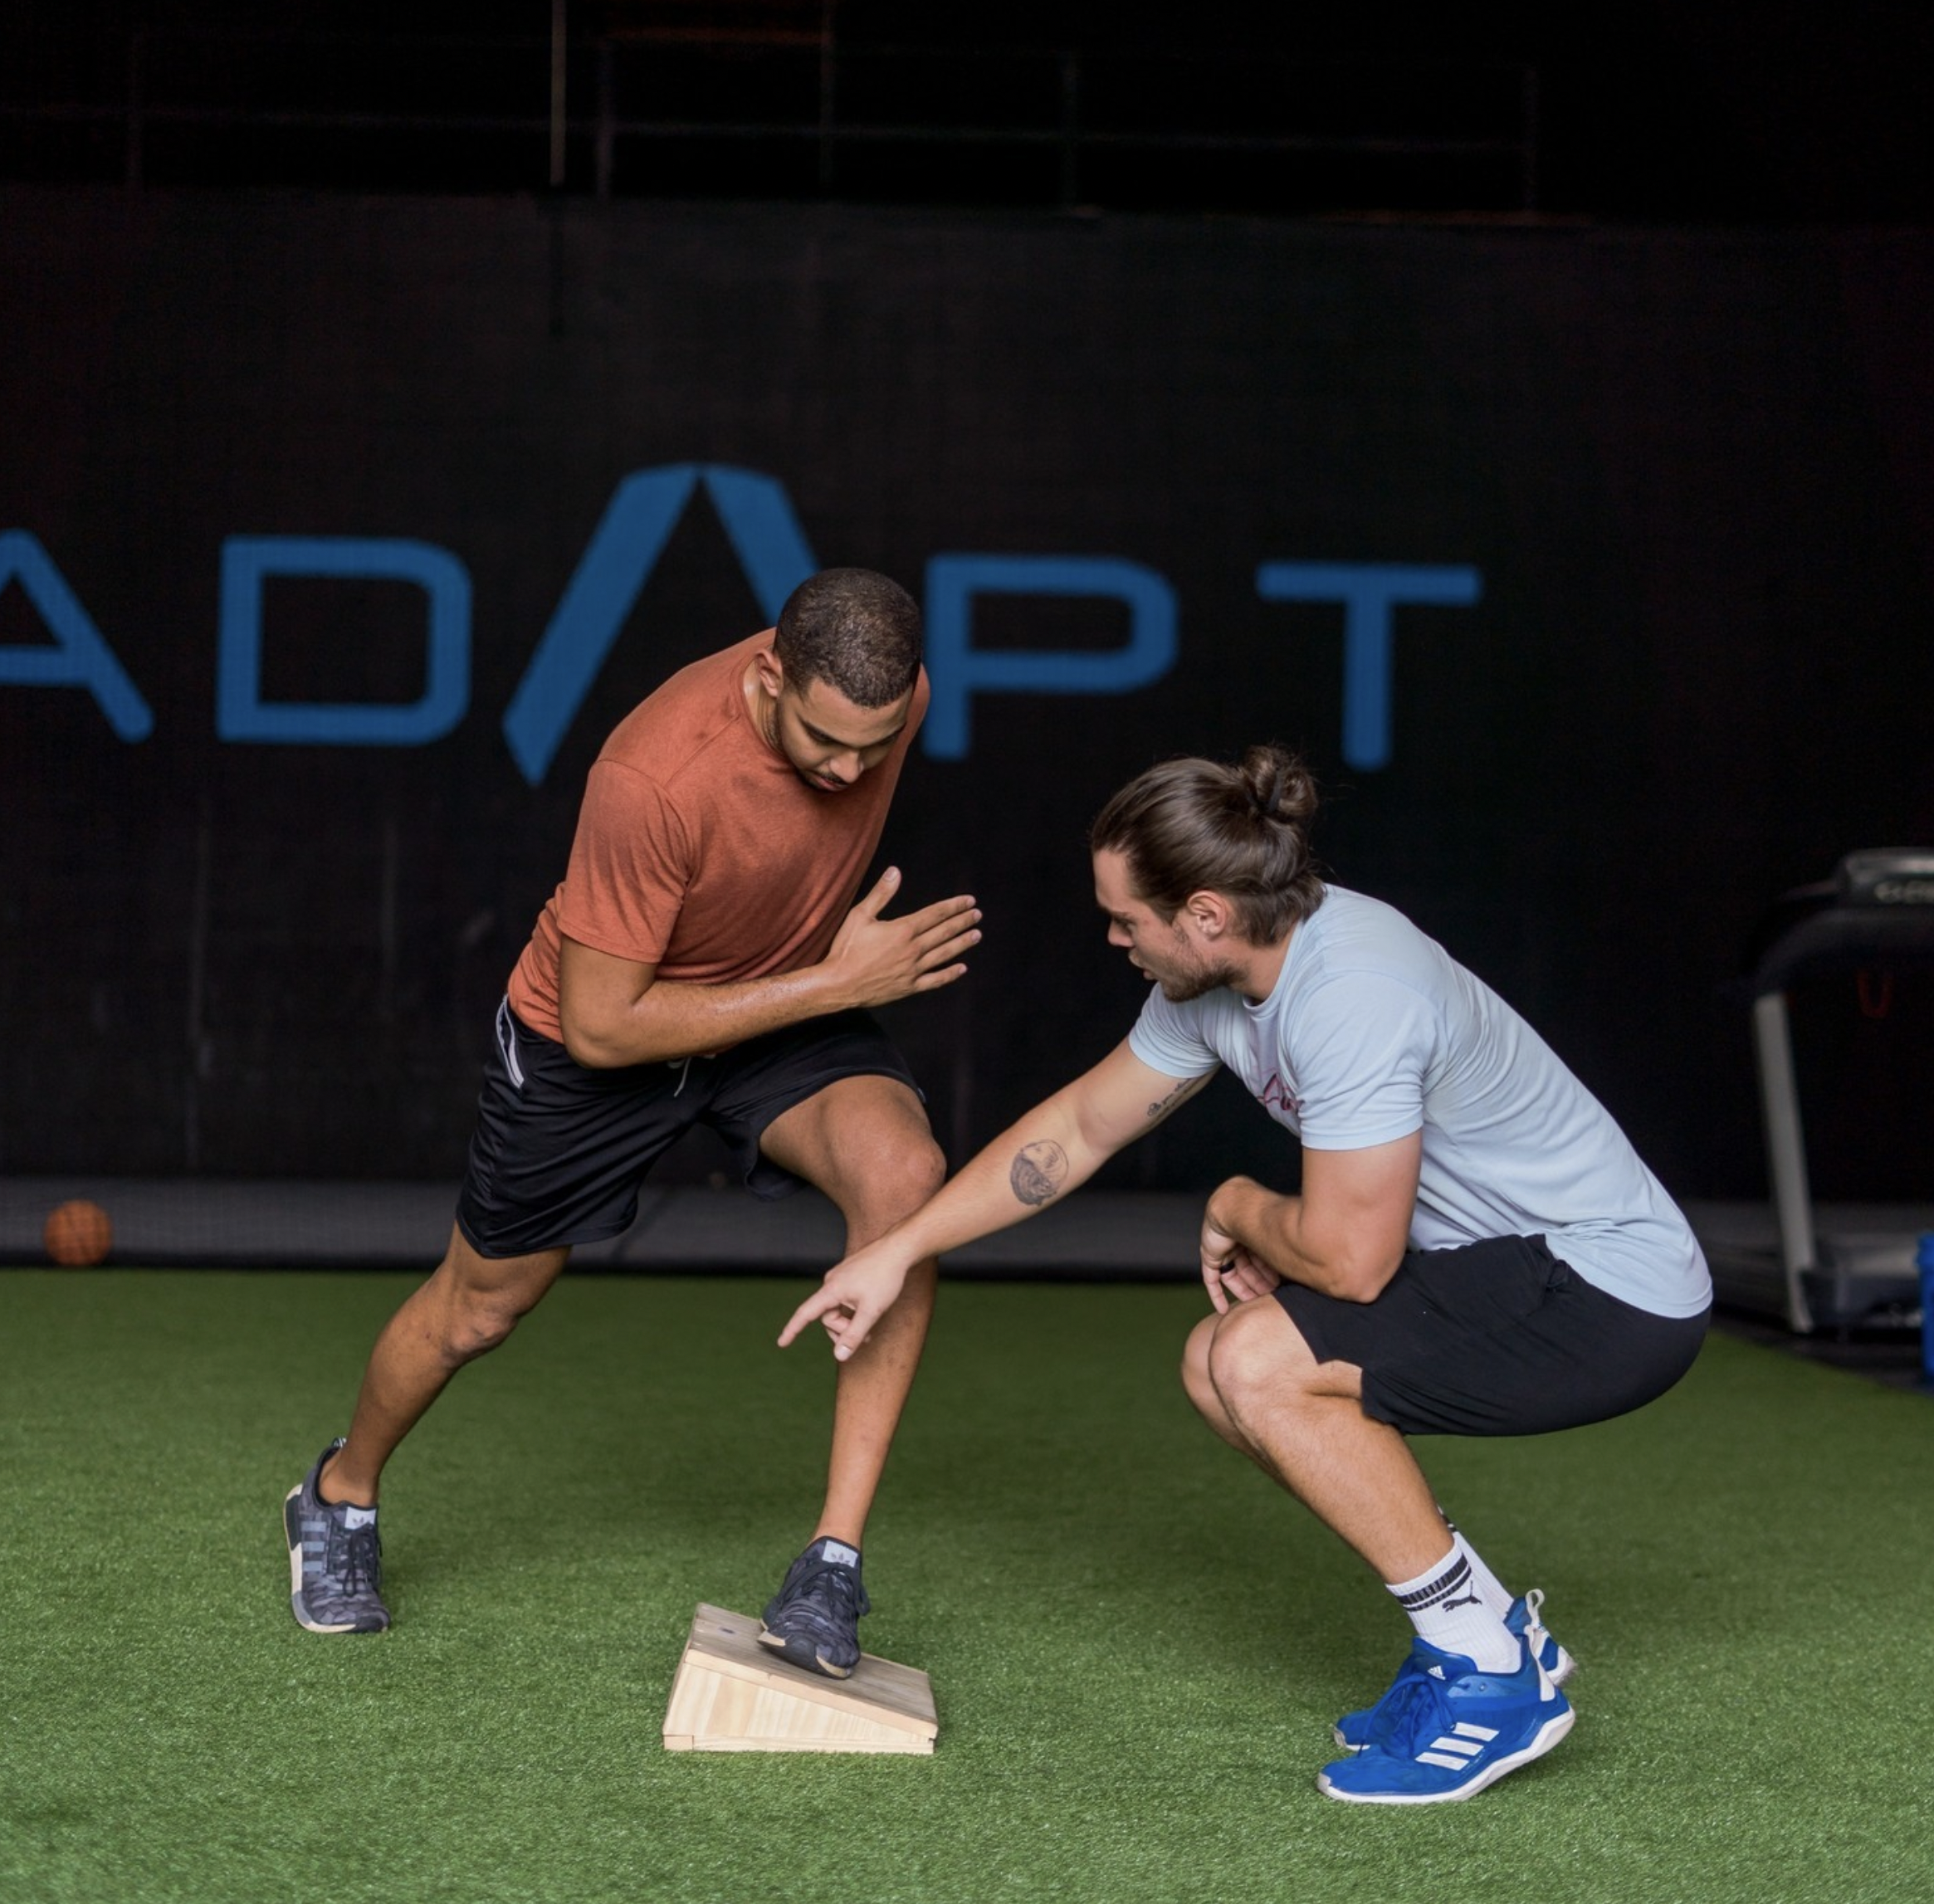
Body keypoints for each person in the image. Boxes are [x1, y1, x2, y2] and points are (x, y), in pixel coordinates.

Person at [779, 745, 1711, 1802]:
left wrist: (1233, 1202)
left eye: (1126, 920)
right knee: (1215, 1363)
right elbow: (1079, 1128)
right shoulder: (1215, 980)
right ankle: (1488, 1626)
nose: (1114, 939)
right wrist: (897, 1248)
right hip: (1513, 1267)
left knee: (1260, 1361)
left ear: (1206, 914)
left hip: (1607, 1288)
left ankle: (1491, 1679)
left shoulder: (1352, 991)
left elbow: (1351, 1262)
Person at [285, 567, 982, 1679]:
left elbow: (845, 770)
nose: (851, 771)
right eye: (824, 741)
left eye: (877, 745)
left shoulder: (891, 696)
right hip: (603, 1037)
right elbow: (605, 1024)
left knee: (905, 1180)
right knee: (478, 1309)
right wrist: (839, 983)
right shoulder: (652, 778)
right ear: (770, 676)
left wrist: (817, 981)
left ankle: (831, 1562)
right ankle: (339, 1493)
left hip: (776, 1009)